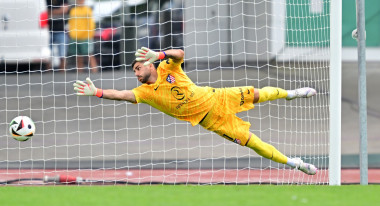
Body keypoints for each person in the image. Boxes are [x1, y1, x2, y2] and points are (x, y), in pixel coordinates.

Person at [73, 47, 318, 175]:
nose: (136, 74)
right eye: (135, 71)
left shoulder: (168, 67)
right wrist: (97, 92)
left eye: (138, 68)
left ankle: (291, 93)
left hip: (218, 97)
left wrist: (159, 54)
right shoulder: (145, 93)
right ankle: (295, 163)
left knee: (259, 93)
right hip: (211, 121)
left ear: (149, 64)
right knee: (253, 143)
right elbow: (123, 95)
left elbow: (180, 53)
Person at [67, 0, 98, 73]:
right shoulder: (73, 10)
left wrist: (90, 34)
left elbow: (91, 23)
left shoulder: (88, 10)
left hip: (85, 36)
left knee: (90, 55)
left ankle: (95, 72)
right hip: (75, 37)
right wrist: (71, 33)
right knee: (78, 56)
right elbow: (71, 23)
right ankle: (80, 73)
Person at [46, 0, 69, 72]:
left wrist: (51, 12)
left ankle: (62, 71)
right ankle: (47, 71)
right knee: (47, 53)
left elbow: (64, 10)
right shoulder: (47, 1)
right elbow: (44, 12)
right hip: (48, 31)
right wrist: (59, 11)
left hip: (61, 30)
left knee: (62, 54)